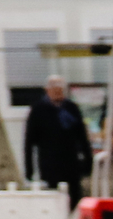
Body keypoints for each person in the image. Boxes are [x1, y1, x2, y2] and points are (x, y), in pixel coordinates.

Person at [23, 76, 91, 207]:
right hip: (49, 163)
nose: (57, 93)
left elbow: (82, 137)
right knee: (54, 198)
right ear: (47, 90)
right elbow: (29, 142)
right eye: (54, 90)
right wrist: (29, 170)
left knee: (74, 197)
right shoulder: (38, 110)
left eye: (60, 90)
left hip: (71, 163)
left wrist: (88, 162)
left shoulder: (71, 108)